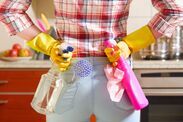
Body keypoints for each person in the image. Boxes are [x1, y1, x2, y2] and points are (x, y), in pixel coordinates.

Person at [0, 0, 183, 122]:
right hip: (116, 77)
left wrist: (50, 46)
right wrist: (128, 45)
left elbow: (9, 11)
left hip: (70, 77)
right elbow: (173, 11)